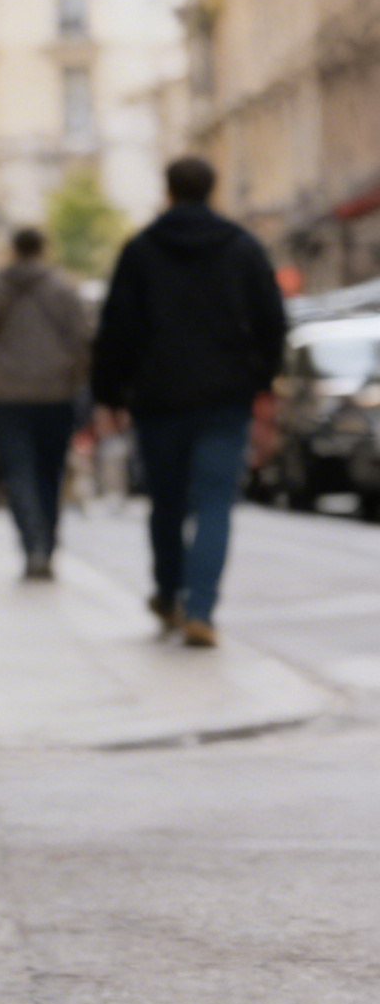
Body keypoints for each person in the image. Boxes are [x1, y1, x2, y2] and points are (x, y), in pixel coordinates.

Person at [91, 156, 286, 647]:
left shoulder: (139, 251)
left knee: (167, 503)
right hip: (225, 396)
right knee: (217, 502)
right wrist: (258, 380)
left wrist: (109, 393)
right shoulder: (242, 248)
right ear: (213, 189)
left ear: (168, 189)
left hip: (159, 398)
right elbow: (273, 322)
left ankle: (168, 592)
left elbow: (116, 329)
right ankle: (201, 608)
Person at [0, 228, 89, 581]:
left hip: (7, 395)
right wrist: (75, 383)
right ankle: (47, 544)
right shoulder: (64, 290)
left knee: (18, 473)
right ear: (43, 249)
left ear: (13, 250)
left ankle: (32, 545)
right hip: (56, 394)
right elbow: (83, 342)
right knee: (51, 472)